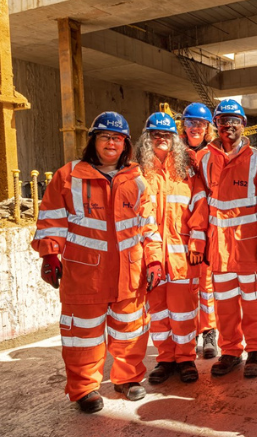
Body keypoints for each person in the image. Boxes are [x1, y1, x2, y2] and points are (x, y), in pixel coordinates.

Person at [32, 111, 163, 413]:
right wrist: (50, 253)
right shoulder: (69, 176)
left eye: (117, 138)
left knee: (130, 331)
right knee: (83, 336)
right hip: (84, 274)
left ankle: (127, 379)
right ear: (93, 141)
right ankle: (84, 389)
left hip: (129, 273)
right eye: (105, 136)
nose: (111, 143)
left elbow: (148, 226)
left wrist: (154, 261)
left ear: (126, 145)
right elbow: (51, 219)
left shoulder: (137, 180)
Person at [198, 99, 257, 378]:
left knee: (254, 301)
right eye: (222, 121)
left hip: (250, 244)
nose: (228, 126)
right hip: (218, 246)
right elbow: (200, 203)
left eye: (234, 120)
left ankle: (255, 350)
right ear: (215, 125)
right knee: (225, 302)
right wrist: (201, 242)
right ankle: (230, 351)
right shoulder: (204, 159)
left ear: (244, 125)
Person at [135, 112, 208, 385]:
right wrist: (150, 258)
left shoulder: (187, 171)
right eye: (156, 134)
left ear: (175, 140)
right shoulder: (138, 174)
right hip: (151, 258)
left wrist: (198, 241)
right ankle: (165, 359)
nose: (161, 138)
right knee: (159, 313)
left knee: (184, 312)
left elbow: (201, 207)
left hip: (183, 257)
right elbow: (140, 218)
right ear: (147, 139)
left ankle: (186, 358)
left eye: (166, 134)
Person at [181, 102, 219, 360]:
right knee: (185, 284)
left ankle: (209, 332)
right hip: (181, 227)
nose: (195, 128)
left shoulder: (213, 153)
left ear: (208, 128)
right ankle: (189, 333)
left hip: (209, 225)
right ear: (183, 125)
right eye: (191, 122)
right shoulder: (176, 153)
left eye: (200, 123)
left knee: (207, 284)